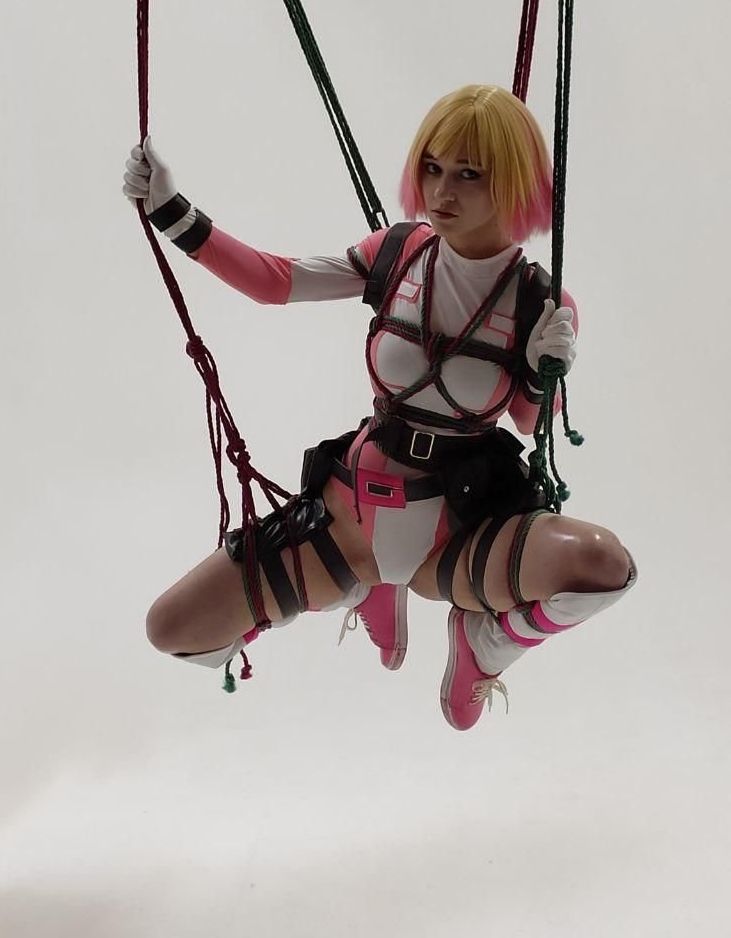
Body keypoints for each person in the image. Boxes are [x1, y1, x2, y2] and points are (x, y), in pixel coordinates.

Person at [123, 83, 637, 729]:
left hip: (458, 534)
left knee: (602, 567)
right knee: (175, 627)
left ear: (512, 183)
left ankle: (485, 645)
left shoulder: (539, 300)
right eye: (433, 167)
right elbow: (275, 281)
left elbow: (534, 426)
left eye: (469, 175)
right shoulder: (396, 254)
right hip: (351, 518)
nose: (442, 192)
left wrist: (542, 376)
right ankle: (363, 588)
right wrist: (172, 211)